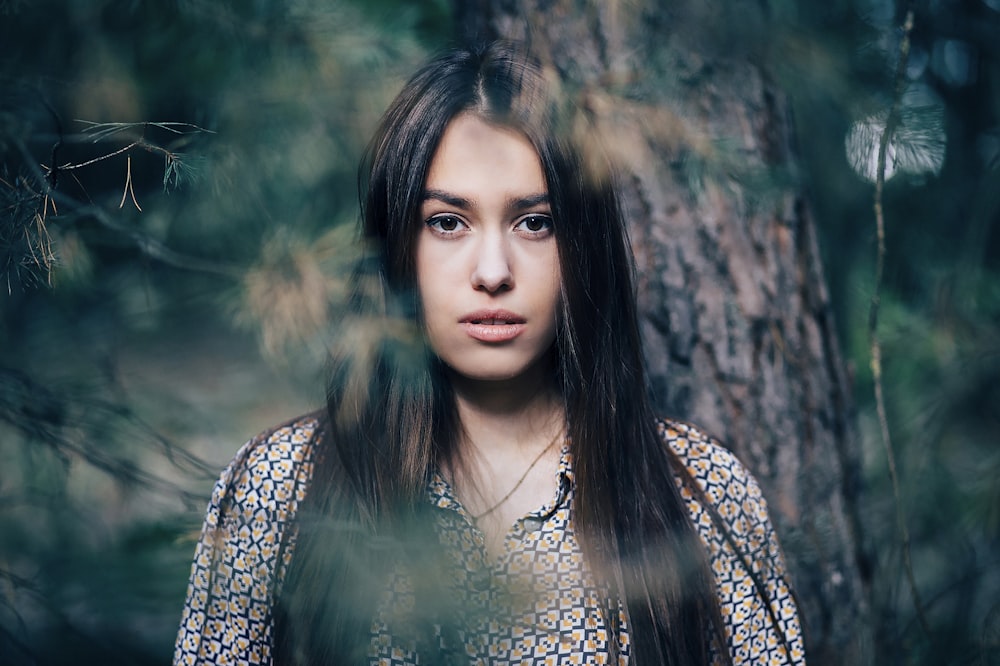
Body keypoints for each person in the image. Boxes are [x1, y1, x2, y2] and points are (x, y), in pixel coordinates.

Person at [173, 41, 806, 666]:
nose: (494, 271)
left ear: (583, 248)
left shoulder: (703, 495)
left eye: (535, 223)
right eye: (448, 222)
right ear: (395, 245)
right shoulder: (279, 488)